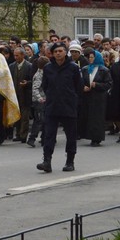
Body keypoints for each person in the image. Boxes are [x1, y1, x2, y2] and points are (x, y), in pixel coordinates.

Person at [38, 42, 81, 174]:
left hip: (68, 106)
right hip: (52, 105)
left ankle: (70, 161)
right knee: (49, 135)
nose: (58, 53)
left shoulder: (73, 68)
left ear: (65, 52)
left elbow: (79, 87)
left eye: (60, 51)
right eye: (55, 51)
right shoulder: (48, 68)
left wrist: (73, 99)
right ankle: (47, 161)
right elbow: (44, 85)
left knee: (71, 135)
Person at [79, 50, 112, 147]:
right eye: (89, 57)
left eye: (92, 57)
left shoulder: (104, 70)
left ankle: (97, 138)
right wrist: (83, 87)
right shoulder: (85, 69)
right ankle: (88, 135)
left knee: (97, 118)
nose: (90, 59)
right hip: (88, 96)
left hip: (99, 97)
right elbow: (81, 81)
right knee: (88, 117)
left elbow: (108, 84)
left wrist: (97, 85)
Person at [10, 47, 34, 143]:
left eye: (17, 55)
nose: (15, 57)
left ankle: (23, 135)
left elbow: (33, 80)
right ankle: (18, 134)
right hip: (15, 95)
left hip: (25, 95)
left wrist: (27, 83)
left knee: (24, 117)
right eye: (14, 55)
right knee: (17, 115)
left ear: (23, 55)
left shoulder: (29, 66)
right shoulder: (11, 66)